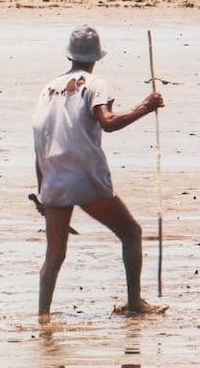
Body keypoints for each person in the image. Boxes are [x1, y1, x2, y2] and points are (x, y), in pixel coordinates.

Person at [32, 24, 165, 319]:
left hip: (52, 178)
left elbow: (39, 138)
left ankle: (43, 316)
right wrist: (146, 106)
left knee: (53, 257)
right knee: (131, 233)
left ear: (70, 55)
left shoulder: (47, 88)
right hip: (85, 178)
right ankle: (134, 305)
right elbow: (108, 122)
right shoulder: (95, 84)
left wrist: (42, 190)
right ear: (96, 56)